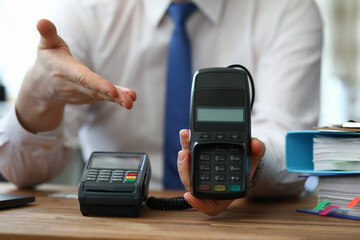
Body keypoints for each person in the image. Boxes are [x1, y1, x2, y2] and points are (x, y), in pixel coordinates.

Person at [0, 0, 322, 216]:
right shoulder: (87, 11)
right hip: (119, 219)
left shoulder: (288, 9)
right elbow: (21, 174)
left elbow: (292, 152)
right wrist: (36, 99)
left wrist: (248, 163)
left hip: (243, 219)